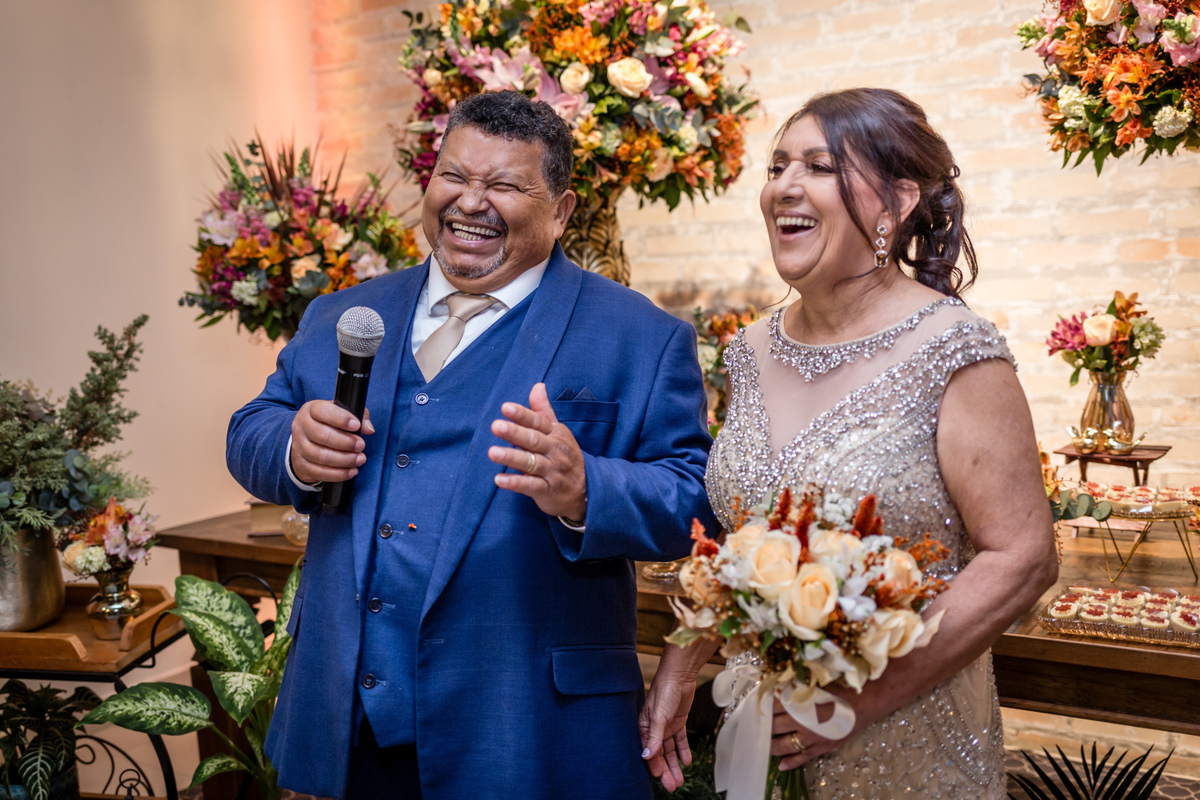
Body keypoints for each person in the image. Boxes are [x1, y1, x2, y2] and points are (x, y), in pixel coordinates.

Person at [227, 90, 716, 800]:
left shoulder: (642, 337)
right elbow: (252, 429)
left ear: (563, 210)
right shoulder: (346, 314)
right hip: (352, 725)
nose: (470, 203)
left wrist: (587, 489)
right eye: (454, 177)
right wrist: (292, 449)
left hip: (529, 731)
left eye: (506, 186)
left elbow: (696, 502)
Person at [639, 88, 1058, 798]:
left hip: (909, 744)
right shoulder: (747, 350)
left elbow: (1023, 558)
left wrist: (854, 706)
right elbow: (745, 535)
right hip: (762, 731)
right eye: (777, 167)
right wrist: (686, 660)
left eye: (819, 166)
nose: (784, 188)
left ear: (896, 201)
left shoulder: (954, 349)